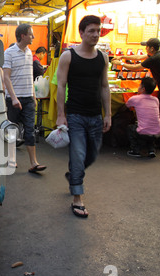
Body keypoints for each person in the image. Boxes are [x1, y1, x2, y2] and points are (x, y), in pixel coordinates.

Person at [56, 15, 111, 218]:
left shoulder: (102, 57)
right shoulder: (68, 56)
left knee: (92, 154)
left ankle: (73, 174)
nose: (96, 34)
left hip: (96, 115)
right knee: (78, 155)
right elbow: (61, 86)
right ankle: (77, 198)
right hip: (76, 114)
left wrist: (108, 114)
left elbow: (105, 87)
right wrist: (61, 115)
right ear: (81, 33)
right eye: (91, 31)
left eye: (98, 30)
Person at [111, 38, 160, 150]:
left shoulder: (154, 58)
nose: (145, 48)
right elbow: (139, 57)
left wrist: (120, 63)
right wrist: (123, 57)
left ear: (152, 48)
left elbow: (136, 68)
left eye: (147, 47)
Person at [3, 24, 46, 173]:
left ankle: (34, 163)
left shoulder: (29, 53)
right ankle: (11, 160)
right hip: (14, 98)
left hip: (28, 98)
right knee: (12, 130)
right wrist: (14, 98)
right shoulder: (9, 52)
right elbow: (6, 77)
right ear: (23, 36)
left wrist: (33, 96)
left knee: (30, 130)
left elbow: (29, 77)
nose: (33, 37)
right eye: (31, 34)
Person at [126, 77, 160, 158]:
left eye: (140, 85)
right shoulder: (156, 100)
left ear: (143, 89)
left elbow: (126, 106)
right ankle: (151, 149)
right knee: (150, 130)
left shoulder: (135, 99)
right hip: (159, 132)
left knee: (130, 128)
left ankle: (135, 150)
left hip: (144, 132)